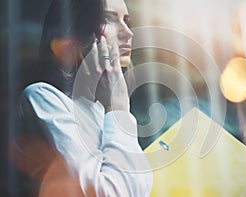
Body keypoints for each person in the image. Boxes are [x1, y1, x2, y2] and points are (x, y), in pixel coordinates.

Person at [11, 0, 153, 196]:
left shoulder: (106, 114)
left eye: (127, 21)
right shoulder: (43, 99)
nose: (128, 32)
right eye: (108, 18)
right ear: (75, 32)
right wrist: (118, 107)